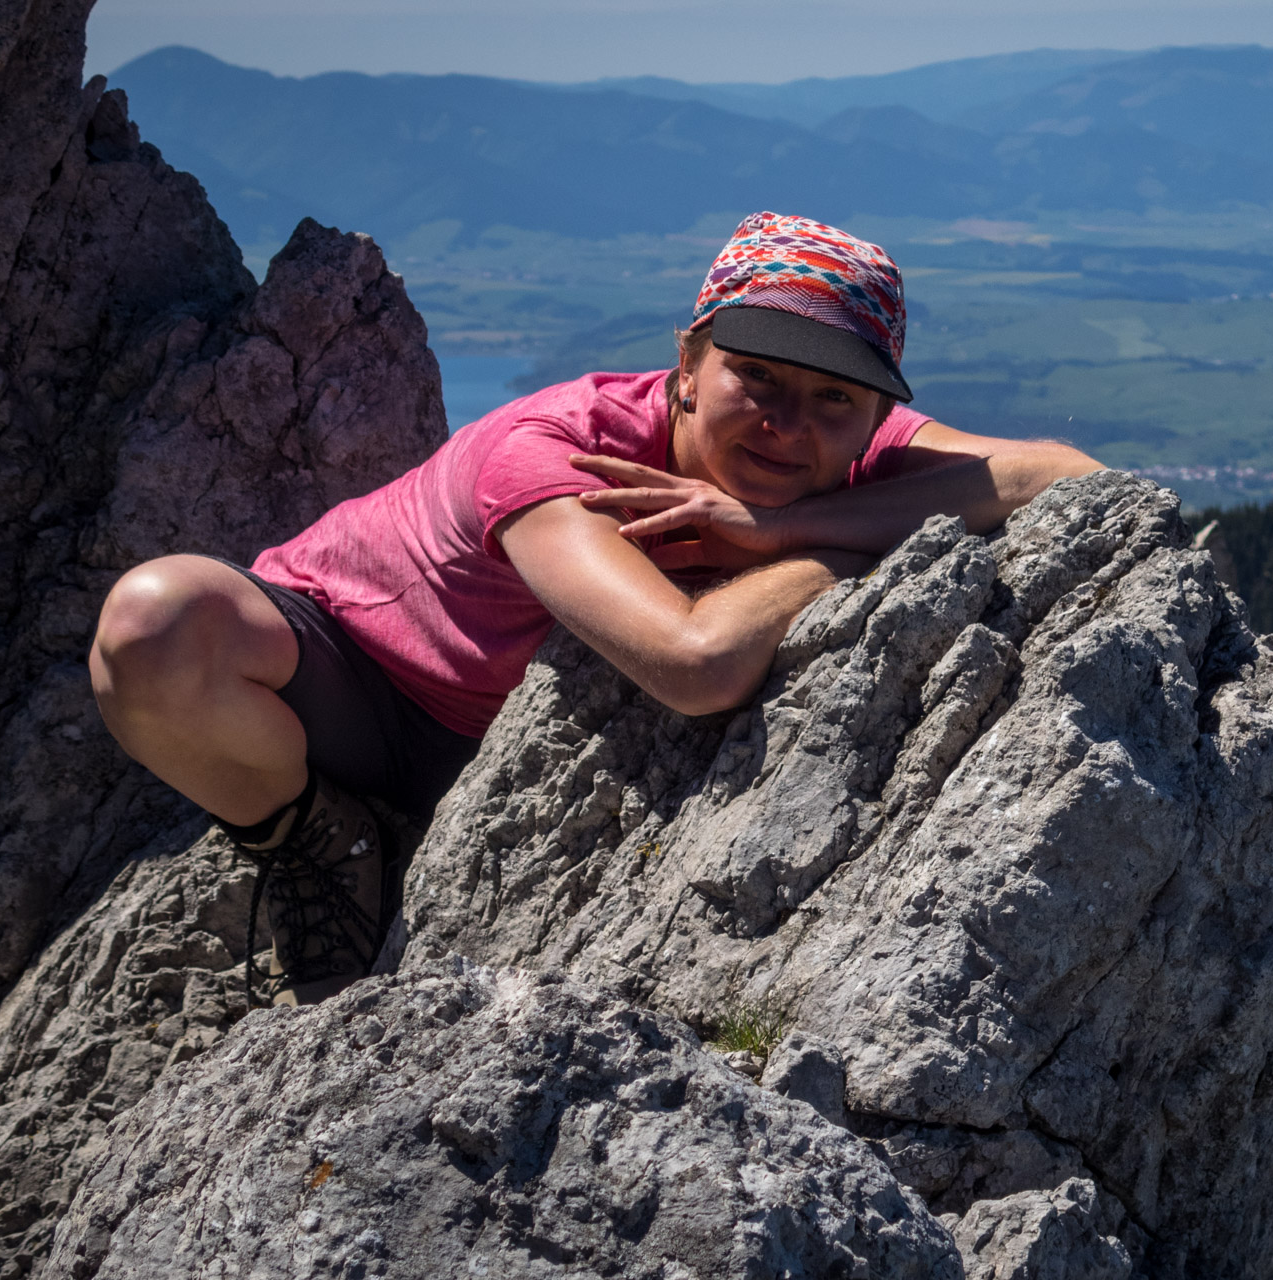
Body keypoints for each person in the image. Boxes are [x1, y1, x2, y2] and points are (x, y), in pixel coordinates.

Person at [87, 212, 1102, 1006]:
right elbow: (693, 663)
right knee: (156, 622)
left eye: (833, 400)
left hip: (486, 751)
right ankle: (313, 836)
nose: (789, 423)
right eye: (755, 375)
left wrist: (774, 531)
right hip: (348, 685)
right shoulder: (564, 445)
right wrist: (846, 549)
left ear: (877, 415)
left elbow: (1066, 476)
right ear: (689, 365)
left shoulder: (836, 446)